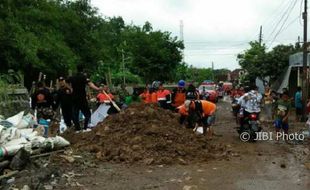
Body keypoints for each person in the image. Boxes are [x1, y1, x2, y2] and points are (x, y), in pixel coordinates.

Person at [68, 65, 101, 131]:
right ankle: (85, 127)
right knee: (87, 114)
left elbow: (66, 82)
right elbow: (90, 84)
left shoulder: (72, 77)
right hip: (82, 98)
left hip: (74, 98)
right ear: (83, 70)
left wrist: (70, 89)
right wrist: (98, 89)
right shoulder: (84, 77)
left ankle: (77, 129)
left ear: (77, 69)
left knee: (75, 114)